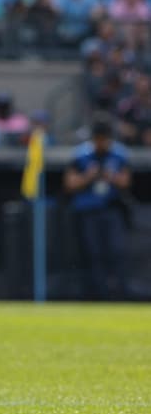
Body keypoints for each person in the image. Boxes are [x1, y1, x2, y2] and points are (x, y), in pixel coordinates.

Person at [63, 113, 132, 300]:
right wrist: (88, 177)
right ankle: (95, 294)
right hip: (88, 211)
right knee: (93, 253)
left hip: (111, 208)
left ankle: (118, 294)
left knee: (115, 251)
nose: (101, 143)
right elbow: (69, 184)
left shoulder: (118, 154)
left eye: (104, 139)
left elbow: (126, 182)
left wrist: (112, 177)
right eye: (98, 139)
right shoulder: (81, 155)